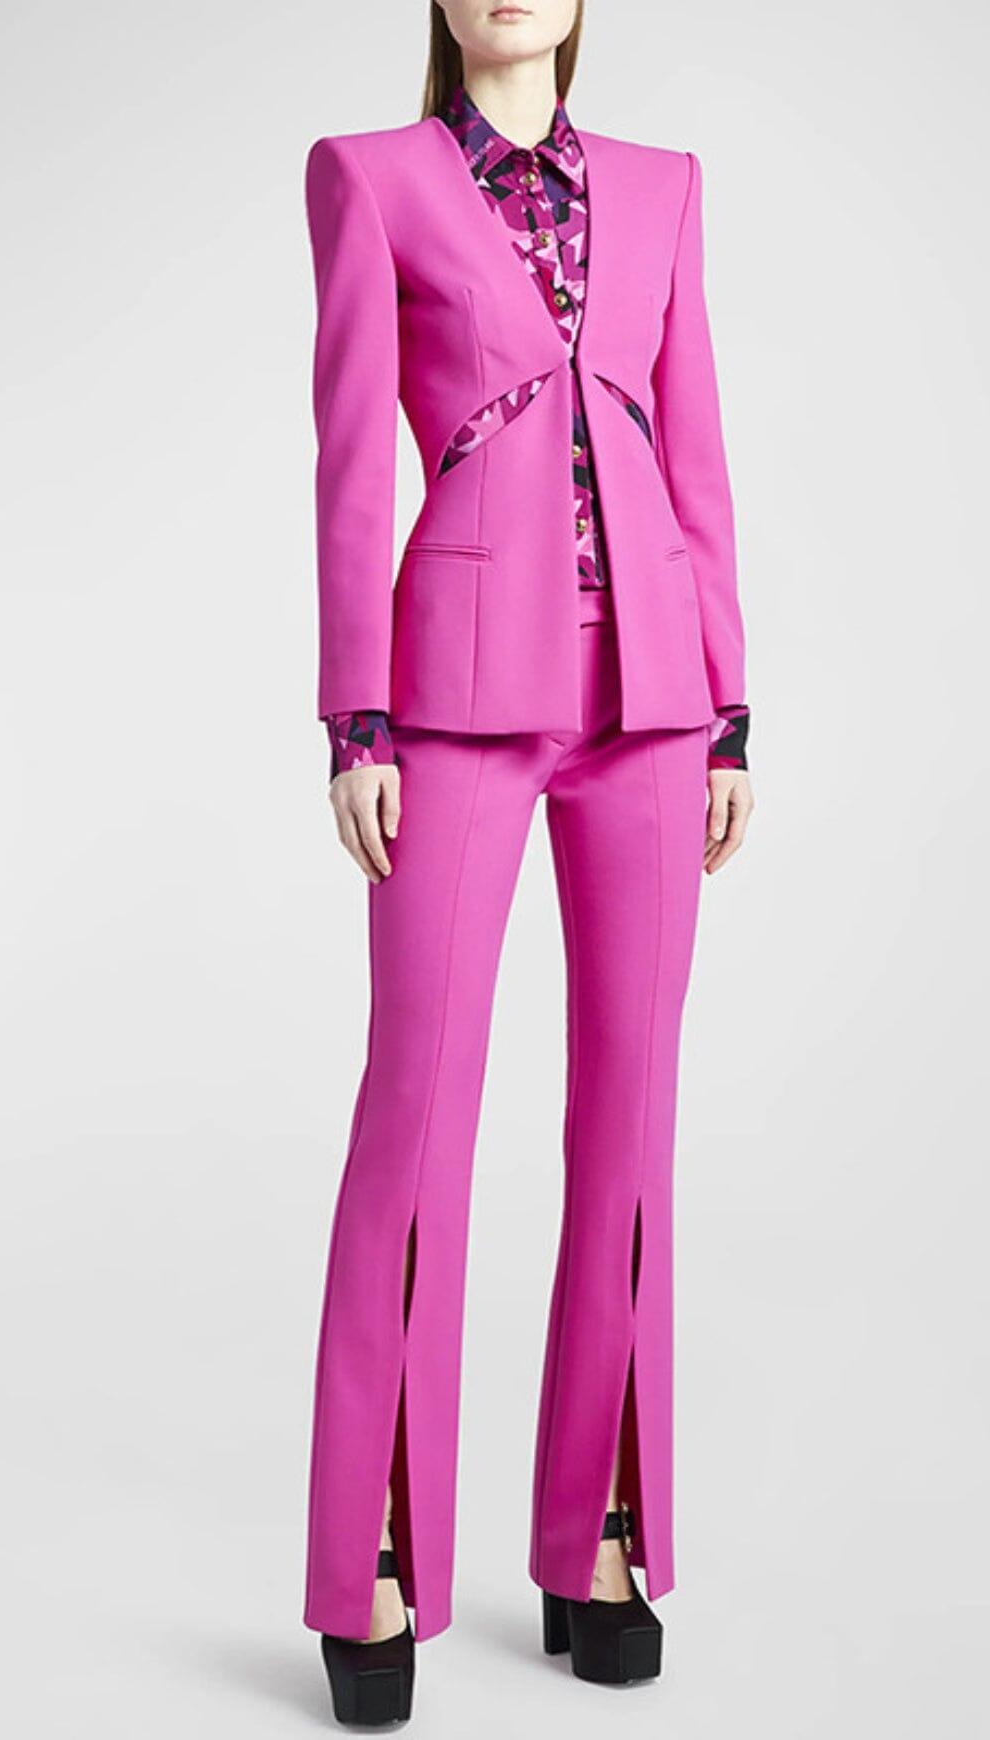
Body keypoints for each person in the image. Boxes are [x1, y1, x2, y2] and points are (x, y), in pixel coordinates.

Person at [301, 0, 754, 1722]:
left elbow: (695, 450)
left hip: (652, 695)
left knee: (630, 1122)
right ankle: (376, 1556)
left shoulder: (663, 185)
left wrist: (728, 708)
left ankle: (602, 1535)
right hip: (454, 697)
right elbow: (354, 464)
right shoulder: (372, 178)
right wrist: (356, 718)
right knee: (417, 1122)